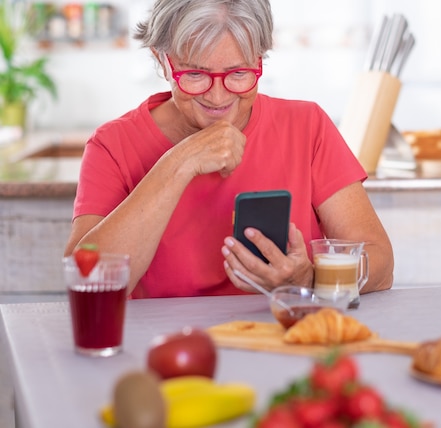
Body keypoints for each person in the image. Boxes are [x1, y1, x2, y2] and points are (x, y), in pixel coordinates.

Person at [64, 0, 394, 298]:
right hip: (167, 353)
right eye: (194, 74)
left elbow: (381, 264)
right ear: (160, 61)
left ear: (260, 58)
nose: (218, 99)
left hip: (282, 341)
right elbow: (88, 282)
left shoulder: (308, 126)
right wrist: (180, 162)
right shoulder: (112, 145)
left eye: (239, 73)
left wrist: (310, 278)